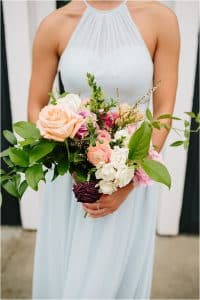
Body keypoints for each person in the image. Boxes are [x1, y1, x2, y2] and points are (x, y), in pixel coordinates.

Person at [28, 0, 180, 298]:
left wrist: (129, 177)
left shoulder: (161, 20)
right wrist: (72, 161)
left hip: (130, 176)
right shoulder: (55, 24)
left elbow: (163, 110)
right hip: (73, 179)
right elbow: (36, 105)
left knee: (116, 277)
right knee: (70, 275)